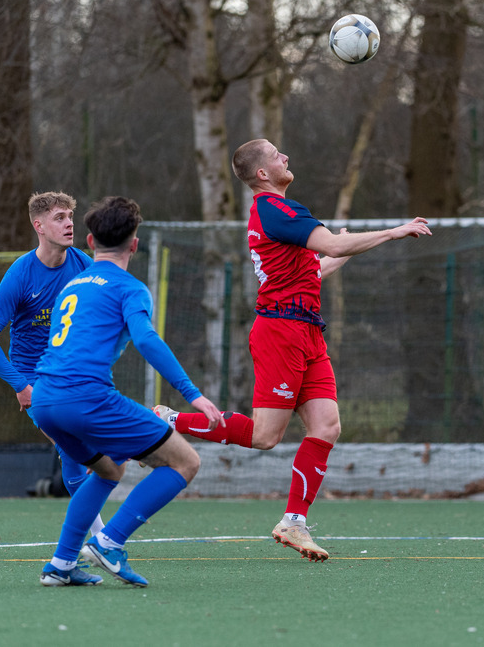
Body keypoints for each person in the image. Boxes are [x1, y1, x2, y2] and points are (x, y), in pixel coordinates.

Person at [152, 138, 431, 562]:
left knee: (327, 427)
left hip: (306, 331)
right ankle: (168, 420)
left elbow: (318, 266)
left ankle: (294, 522)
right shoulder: (276, 209)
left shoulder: (275, 214)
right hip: (281, 331)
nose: (286, 156)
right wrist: (394, 231)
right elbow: (332, 247)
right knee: (266, 437)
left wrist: (350, 246)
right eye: (277, 154)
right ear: (262, 173)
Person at [30, 196, 223, 587]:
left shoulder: (72, 284)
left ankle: (62, 564)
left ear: (89, 241)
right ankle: (110, 541)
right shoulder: (130, 288)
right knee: (185, 461)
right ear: (134, 244)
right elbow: (147, 340)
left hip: (44, 400)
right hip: (84, 398)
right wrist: (193, 394)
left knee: (108, 468)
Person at [0, 191, 105, 535]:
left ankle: (89, 542)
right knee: (72, 445)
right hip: (36, 379)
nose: (69, 223)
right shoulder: (21, 274)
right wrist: (20, 385)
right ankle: (99, 539)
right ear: (39, 226)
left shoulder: (84, 266)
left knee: (86, 449)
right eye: (59, 218)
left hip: (74, 374)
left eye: (70, 217)